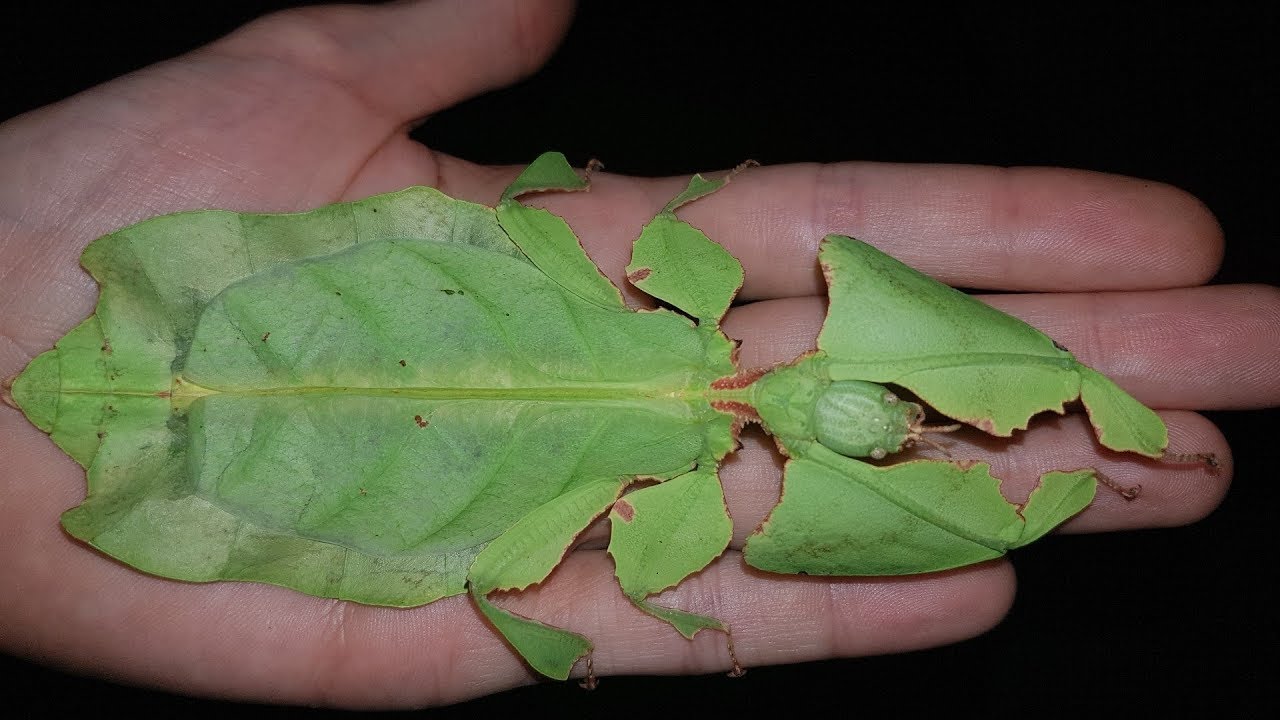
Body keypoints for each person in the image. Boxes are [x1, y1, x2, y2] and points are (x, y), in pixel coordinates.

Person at [0, 0, 1272, 709]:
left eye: (887, 431)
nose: (898, 425)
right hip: (178, 334)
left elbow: (593, 220)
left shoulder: (685, 325)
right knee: (504, 585)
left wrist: (649, 191)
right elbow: (575, 561)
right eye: (899, 413)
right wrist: (658, 609)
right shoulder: (678, 502)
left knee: (508, 564)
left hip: (216, 353)